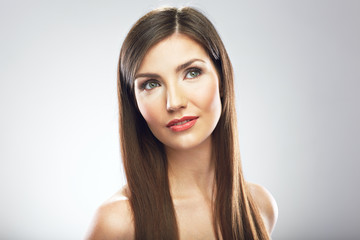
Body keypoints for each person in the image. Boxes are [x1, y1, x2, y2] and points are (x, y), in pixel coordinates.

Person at [86, 6, 278, 240]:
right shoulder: (118, 223)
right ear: (134, 103)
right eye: (151, 84)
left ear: (222, 79)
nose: (174, 102)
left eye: (192, 72)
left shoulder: (258, 206)